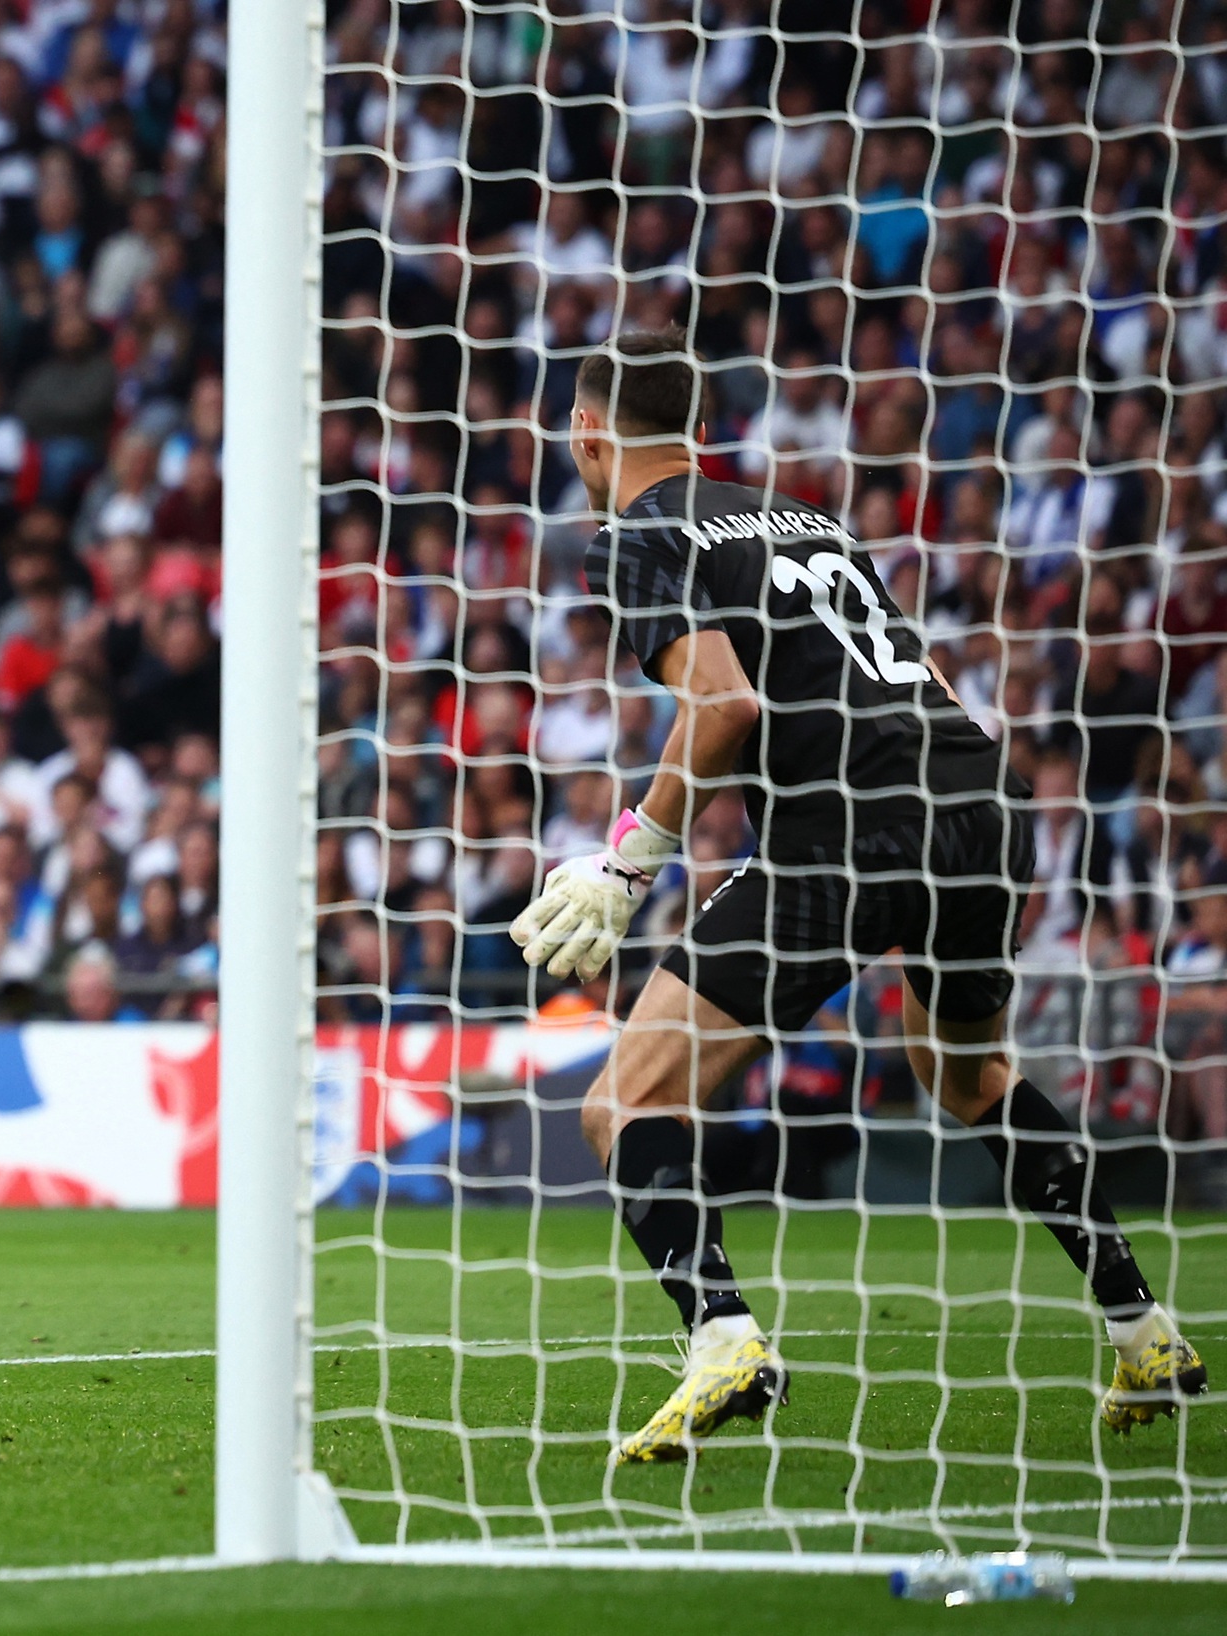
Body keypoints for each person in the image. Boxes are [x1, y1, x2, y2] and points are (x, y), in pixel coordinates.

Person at [515, 328, 1205, 1464]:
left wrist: (631, 860)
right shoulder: (803, 518)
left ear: (586, 431)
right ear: (700, 428)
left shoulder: (638, 532)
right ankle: (1142, 1329)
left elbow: (723, 707)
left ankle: (722, 1340)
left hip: (851, 827)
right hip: (978, 800)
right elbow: (921, 674)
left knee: (625, 1101)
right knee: (964, 1071)